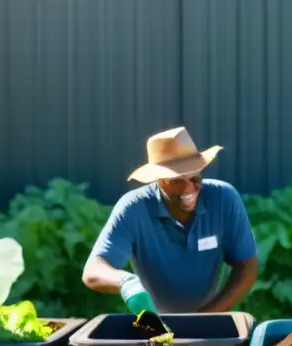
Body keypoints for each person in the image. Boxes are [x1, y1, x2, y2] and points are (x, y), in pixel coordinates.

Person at [82, 126, 258, 314]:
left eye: (193, 178)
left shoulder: (224, 199)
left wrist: (207, 316)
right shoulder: (134, 208)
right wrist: (126, 282)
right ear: (159, 180)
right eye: (176, 180)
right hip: (155, 325)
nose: (189, 189)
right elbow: (93, 270)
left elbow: (246, 266)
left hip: (212, 321)